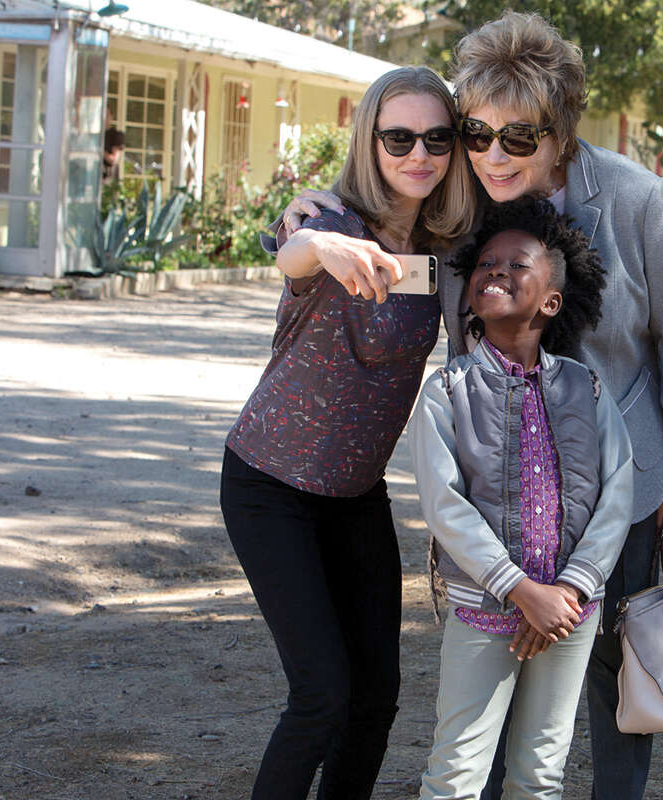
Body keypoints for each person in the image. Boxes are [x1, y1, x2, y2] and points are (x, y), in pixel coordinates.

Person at [279, 13, 663, 796]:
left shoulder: (638, 200)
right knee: (506, 669)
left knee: (617, 668)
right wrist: (306, 218)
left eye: (519, 138)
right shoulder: (458, 207)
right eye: (477, 134)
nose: (492, 156)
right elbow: (377, 219)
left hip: (621, 485)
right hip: (505, 490)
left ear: (560, 131)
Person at [218, 65, 475, 800]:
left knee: (375, 700)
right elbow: (291, 254)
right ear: (370, 140)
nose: (418, 154)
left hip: (356, 495)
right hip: (269, 485)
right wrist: (321, 247)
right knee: (321, 696)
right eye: (399, 138)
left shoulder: (449, 243)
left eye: (437, 138)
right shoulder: (330, 221)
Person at [409, 196, 633, 798]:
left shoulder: (586, 387)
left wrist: (569, 589)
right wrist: (520, 590)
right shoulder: (448, 390)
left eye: (516, 265)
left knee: (540, 774)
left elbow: (617, 493)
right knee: (456, 771)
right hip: (485, 608)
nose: (496, 272)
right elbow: (445, 504)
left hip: (569, 612)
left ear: (551, 302)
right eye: (486, 264)